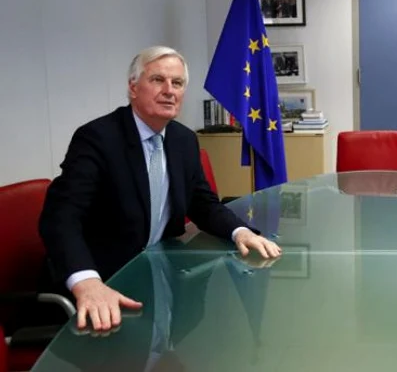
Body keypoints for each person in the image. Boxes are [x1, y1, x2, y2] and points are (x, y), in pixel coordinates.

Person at [39, 46, 281, 333]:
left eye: (177, 83)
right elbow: (61, 218)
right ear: (133, 87)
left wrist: (240, 231)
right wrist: (87, 282)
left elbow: (202, 203)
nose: (169, 90)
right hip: (106, 282)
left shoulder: (183, 140)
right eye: (157, 80)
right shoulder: (98, 139)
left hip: (162, 279)